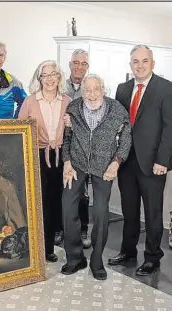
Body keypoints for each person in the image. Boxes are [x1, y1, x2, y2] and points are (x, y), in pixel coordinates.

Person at [107, 45, 172, 276]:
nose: (140, 65)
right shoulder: (122, 88)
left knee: (152, 212)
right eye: (135, 62)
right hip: (127, 161)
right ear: (131, 65)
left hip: (153, 163)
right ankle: (128, 251)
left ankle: (152, 257)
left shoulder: (167, 88)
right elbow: (118, 124)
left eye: (144, 61)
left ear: (153, 63)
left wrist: (162, 160)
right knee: (129, 211)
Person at [60, 74, 132, 281]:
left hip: (104, 166)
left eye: (96, 90)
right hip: (77, 164)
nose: (91, 95)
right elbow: (67, 138)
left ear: (103, 89)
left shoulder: (116, 109)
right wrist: (66, 161)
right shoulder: (73, 108)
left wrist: (116, 162)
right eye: (87, 90)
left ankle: (97, 261)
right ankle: (75, 258)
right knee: (68, 207)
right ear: (82, 92)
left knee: (101, 212)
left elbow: (126, 138)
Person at [18, 60, 71, 262]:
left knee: (56, 203)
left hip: (61, 156)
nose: (49, 79)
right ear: (39, 79)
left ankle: (48, 247)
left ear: (59, 77)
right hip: (37, 156)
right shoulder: (30, 101)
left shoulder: (67, 101)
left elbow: (74, 131)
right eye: (45, 75)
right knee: (39, 203)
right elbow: (20, 131)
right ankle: (37, 247)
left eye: (53, 74)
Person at [57, 48, 92, 249]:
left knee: (83, 192)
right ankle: (61, 228)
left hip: (84, 148)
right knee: (63, 189)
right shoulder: (60, 87)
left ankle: (83, 229)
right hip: (61, 145)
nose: (79, 67)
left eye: (84, 63)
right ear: (70, 64)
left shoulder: (93, 87)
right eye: (76, 63)